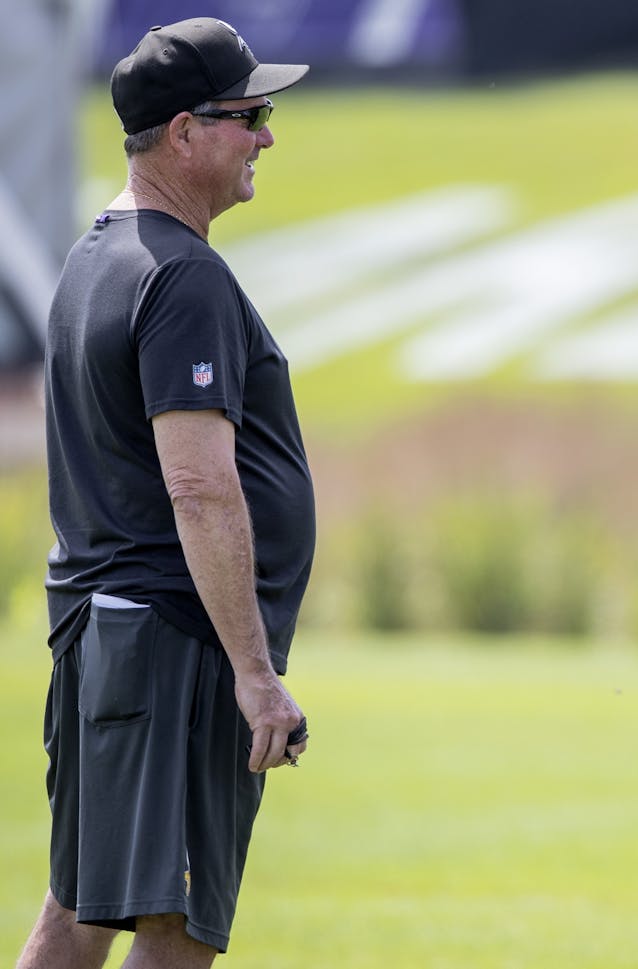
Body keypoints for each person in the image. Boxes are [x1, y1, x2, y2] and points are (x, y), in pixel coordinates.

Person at [18, 18, 315, 969]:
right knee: (176, 931)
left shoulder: (94, 257)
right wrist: (255, 673)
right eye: (249, 114)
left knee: (80, 909)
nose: (267, 133)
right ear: (184, 134)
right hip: (173, 646)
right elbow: (198, 486)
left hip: (109, 635)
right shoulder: (182, 277)